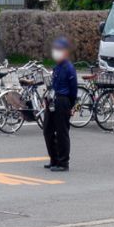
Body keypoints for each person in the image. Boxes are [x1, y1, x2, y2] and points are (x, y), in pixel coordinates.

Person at [43, 37, 77, 172]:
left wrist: (71, 105)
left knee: (62, 132)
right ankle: (54, 159)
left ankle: (63, 162)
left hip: (63, 100)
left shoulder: (69, 68)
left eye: (59, 50)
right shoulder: (57, 67)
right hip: (52, 99)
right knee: (47, 130)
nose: (56, 52)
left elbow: (73, 90)